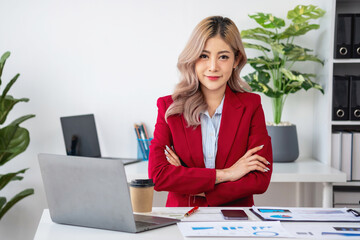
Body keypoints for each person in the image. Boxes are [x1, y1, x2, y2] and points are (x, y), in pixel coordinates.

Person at [148, 16, 272, 207]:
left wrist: (190, 182)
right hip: (183, 216)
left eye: (223, 56)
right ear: (193, 58)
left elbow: (259, 179)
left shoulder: (251, 105)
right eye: (204, 56)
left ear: (236, 60)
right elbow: (159, 176)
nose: (213, 67)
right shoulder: (169, 108)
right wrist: (227, 174)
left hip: (236, 219)